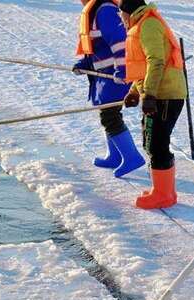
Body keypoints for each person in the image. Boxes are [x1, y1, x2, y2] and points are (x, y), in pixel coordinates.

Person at [118, 0, 187, 209]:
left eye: (121, 15)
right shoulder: (141, 25)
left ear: (128, 12)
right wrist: (134, 92)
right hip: (158, 93)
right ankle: (164, 190)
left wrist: (149, 94)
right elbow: (142, 67)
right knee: (152, 141)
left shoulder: (148, 25)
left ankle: (163, 195)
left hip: (165, 95)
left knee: (157, 143)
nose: (121, 20)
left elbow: (156, 61)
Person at [74, 0, 145, 177]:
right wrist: (84, 63)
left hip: (116, 74)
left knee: (110, 115)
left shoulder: (105, 11)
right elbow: (97, 46)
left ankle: (132, 157)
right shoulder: (95, 11)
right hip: (104, 75)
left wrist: (122, 70)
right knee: (106, 112)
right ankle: (114, 155)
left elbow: (121, 43)